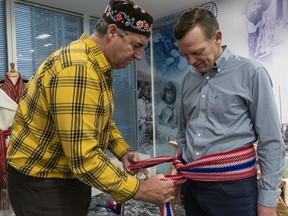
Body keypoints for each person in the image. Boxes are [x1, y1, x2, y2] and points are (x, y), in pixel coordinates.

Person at [6, 1, 175, 216]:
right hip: (44, 184)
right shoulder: (79, 69)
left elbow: (102, 121)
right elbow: (83, 159)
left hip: (62, 177)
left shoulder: (97, 65)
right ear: (112, 32)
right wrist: (140, 189)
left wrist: (123, 152)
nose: (139, 55)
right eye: (136, 45)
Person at [173, 7, 286, 216]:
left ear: (217, 37)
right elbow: (183, 132)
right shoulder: (188, 79)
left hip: (234, 191)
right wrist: (181, 176)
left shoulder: (252, 73)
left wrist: (268, 200)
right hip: (192, 184)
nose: (190, 61)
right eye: (185, 54)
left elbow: (270, 140)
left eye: (197, 52)